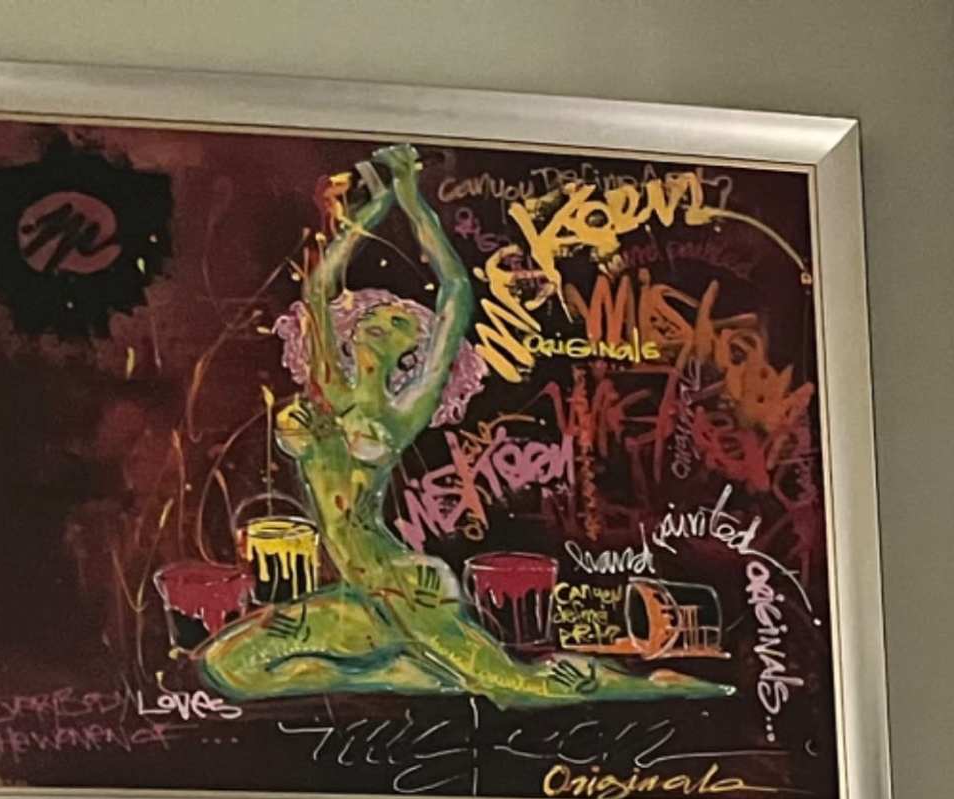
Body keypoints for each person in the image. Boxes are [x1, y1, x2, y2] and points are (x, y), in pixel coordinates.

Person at [201, 143, 719, 706]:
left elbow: (454, 292)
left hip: (404, 583)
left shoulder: (402, 410)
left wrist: (412, 200)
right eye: (376, 312)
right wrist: (372, 211)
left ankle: (651, 685)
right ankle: (408, 673)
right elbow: (319, 287)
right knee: (227, 666)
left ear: (412, 347)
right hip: (360, 592)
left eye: (399, 320)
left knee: (516, 690)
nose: (383, 317)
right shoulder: (326, 388)